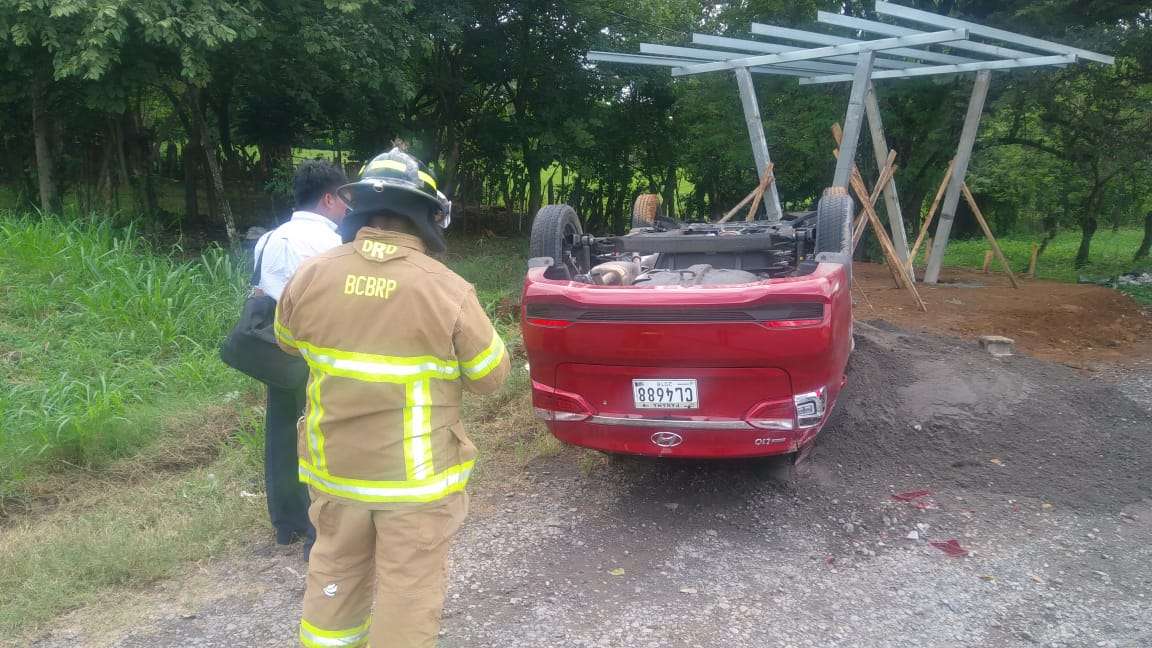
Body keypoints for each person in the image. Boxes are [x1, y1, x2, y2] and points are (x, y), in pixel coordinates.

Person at [274, 148, 510, 648]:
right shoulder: (447, 290)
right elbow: (490, 376)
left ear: (355, 208)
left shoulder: (311, 276)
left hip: (335, 474)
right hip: (414, 487)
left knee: (333, 583)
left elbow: (287, 342)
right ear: (426, 216)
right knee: (408, 593)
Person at [254, 160, 349, 557]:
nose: (347, 207)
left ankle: (286, 524)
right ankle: (319, 529)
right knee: (320, 436)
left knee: (280, 431)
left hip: (271, 349)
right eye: (344, 198)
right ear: (328, 199)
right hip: (314, 351)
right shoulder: (329, 245)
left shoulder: (269, 238)